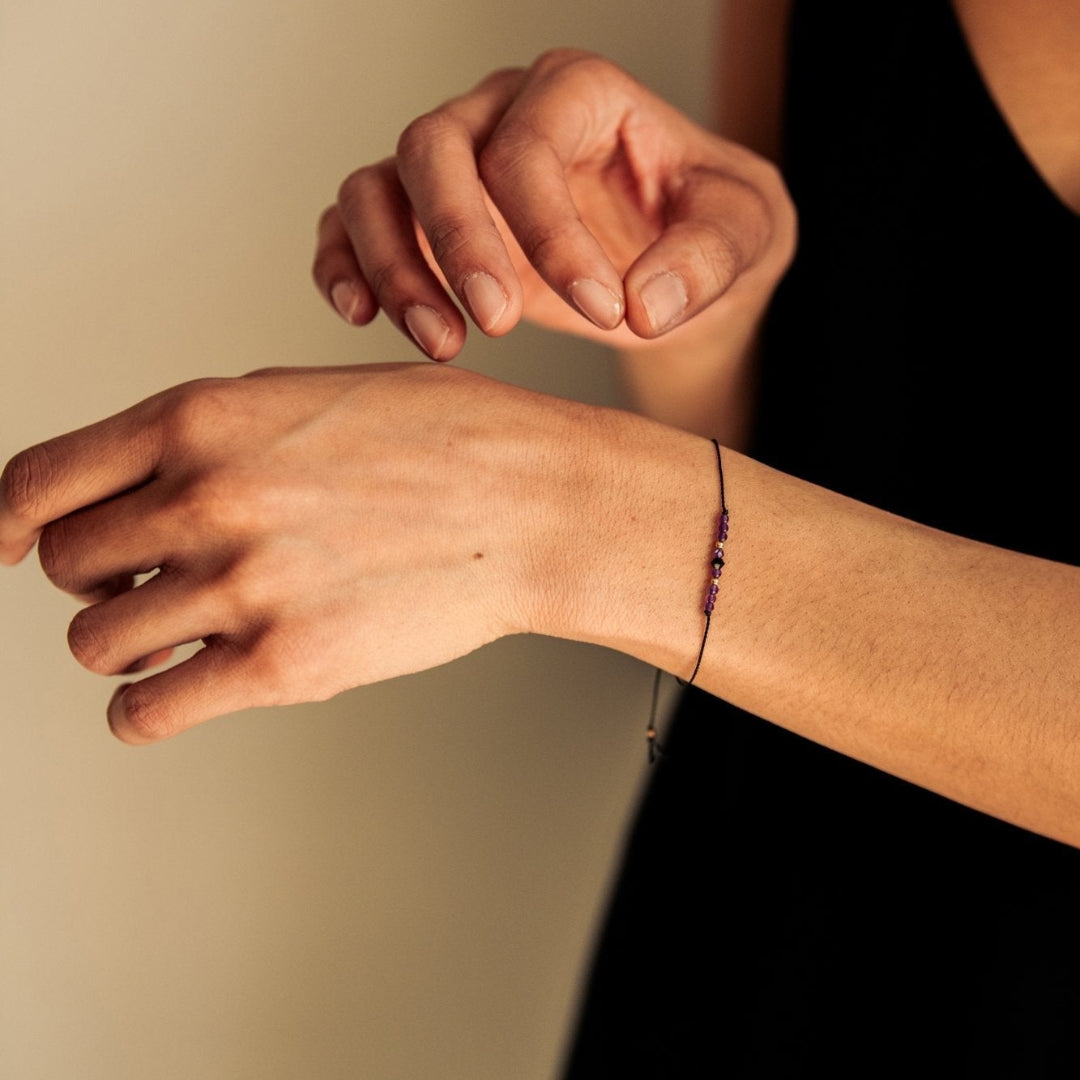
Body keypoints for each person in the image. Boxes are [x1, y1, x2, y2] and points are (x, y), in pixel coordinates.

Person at [2, 0, 1078, 1071]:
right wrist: (683, 310)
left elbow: (672, 540)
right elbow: (811, 479)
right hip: (741, 946)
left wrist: (558, 511)